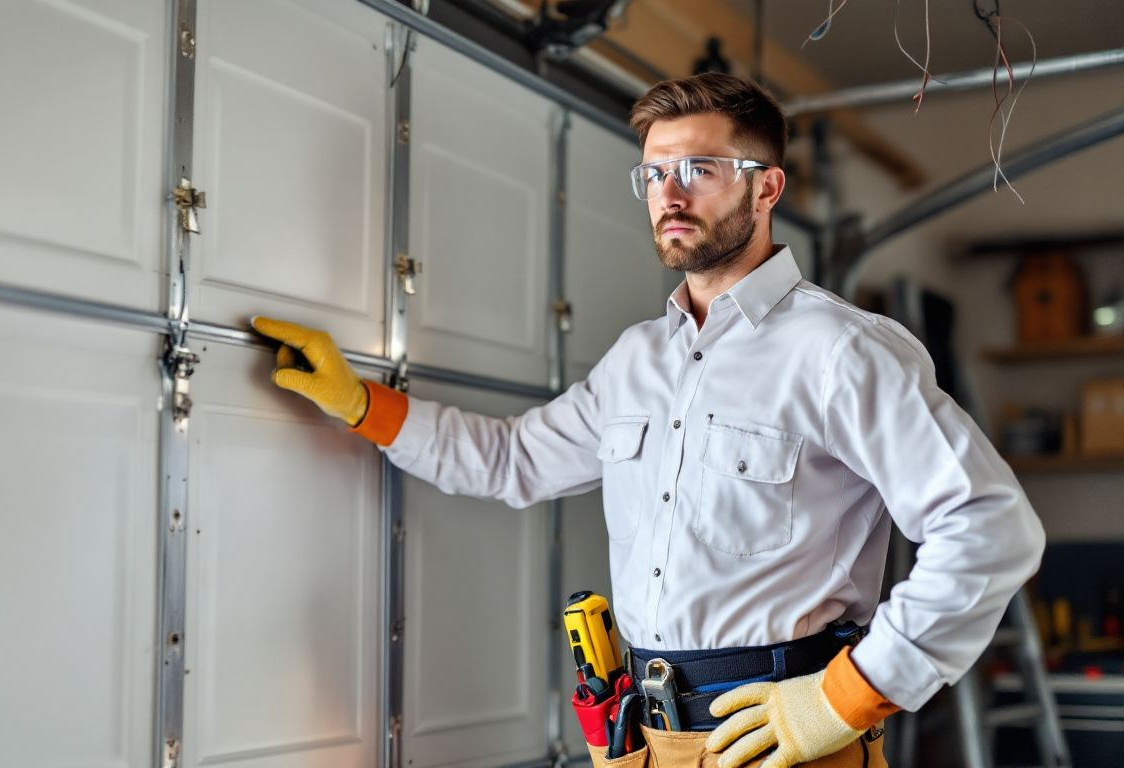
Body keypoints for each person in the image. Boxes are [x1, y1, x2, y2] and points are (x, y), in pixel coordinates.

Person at [250, 73, 1045, 768]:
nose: (670, 193)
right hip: (644, 742)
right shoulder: (638, 359)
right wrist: (362, 404)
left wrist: (848, 697)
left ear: (767, 188)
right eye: (655, 172)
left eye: (699, 169)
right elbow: (511, 460)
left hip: (782, 742)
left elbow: (989, 527)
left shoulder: (842, 351)